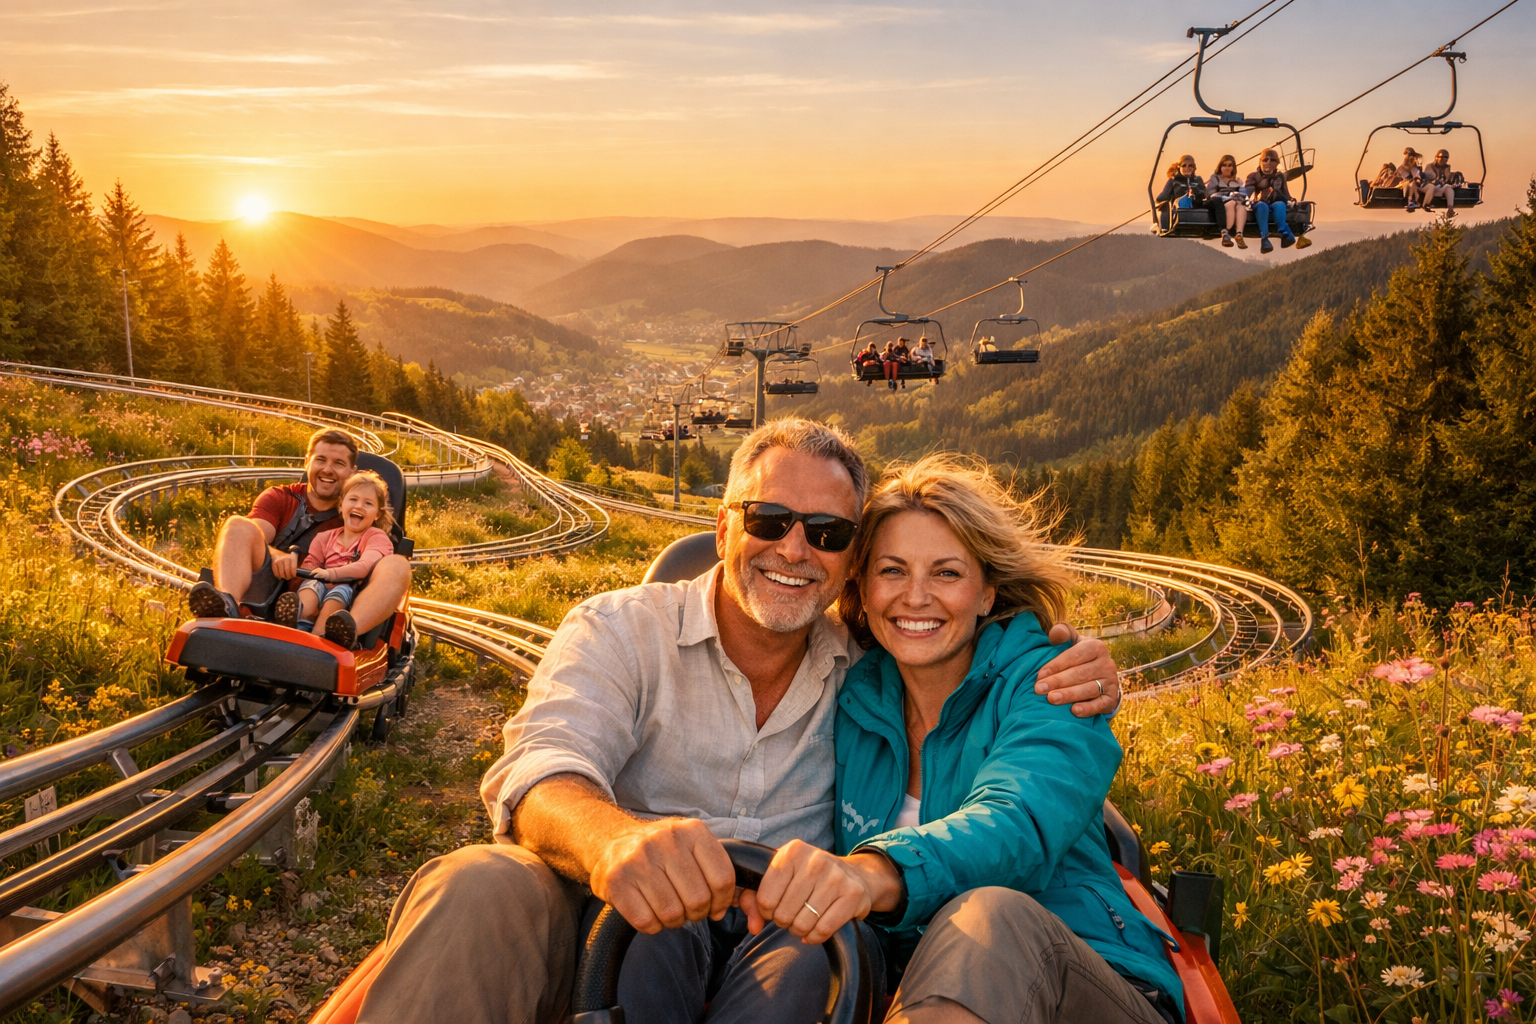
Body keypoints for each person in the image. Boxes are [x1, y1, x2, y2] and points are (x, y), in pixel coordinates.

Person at [354, 419, 1125, 1024]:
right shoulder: (623, 630)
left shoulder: (868, 665)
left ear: (845, 561)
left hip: (805, 941)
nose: (795, 549)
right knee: (480, 881)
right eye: (770, 519)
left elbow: (1008, 779)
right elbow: (542, 766)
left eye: (826, 534)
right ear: (723, 527)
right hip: (630, 918)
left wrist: (1069, 656)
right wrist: (613, 838)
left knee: (817, 963)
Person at [751, 455, 1181, 1024]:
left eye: (947, 573)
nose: (916, 597)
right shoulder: (853, 695)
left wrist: (873, 872)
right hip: (917, 993)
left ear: (986, 594)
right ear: (863, 585)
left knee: (990, 916)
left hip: (1083, 986)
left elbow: (1017, 822)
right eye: (893, 571)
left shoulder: (1051, 688)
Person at [187, 428, 412, 639]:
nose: (327, 470)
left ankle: (341, 632)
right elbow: (255, 533)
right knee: (237, 525)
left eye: (339, 463)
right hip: (266, 591)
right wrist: (278, 555)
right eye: (321, 460)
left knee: (399, 565)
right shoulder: (279, 498)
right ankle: (229, 605)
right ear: (307, 462)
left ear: (352, 472)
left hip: (328, 602)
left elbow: (374, 558)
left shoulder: (358, 518)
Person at [275, 470, 396, 647]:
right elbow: (311, 564)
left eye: (368, 503)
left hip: (350, 590)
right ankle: (297, 619)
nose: (359, 506)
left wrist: (330, 574)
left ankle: (321, 636)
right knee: (311, 584)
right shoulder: (324, 537)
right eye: (353, 500)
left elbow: (364, 566)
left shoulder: (376, 537)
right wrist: (300, 568)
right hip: (321, 582)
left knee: (338, 593)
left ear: (378, 514)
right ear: (341, 506)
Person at [1243, 149, 1312, 255]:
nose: (1268, 163)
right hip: (1260, 204)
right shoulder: (1254, 176)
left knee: (1280, 205)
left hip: (1274, 204)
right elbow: (1248, 190)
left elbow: (1285, 193)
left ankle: (1286, 233)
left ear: (1277, 163)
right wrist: (1241, 199)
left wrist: (1290, 202)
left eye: (1272, 160)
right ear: (1260, 162)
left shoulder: (1280, 177)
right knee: (1262, 206)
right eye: (1265, 160)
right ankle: (1265, 239)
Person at [1155, 154, 1207, 233]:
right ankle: (1165, 227)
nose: (1187, 168)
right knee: (1181, 201)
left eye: (1190, 166)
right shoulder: (1173, 181)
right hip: (1179, 210)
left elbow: (1205, 194)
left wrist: (1197, 191)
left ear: (1194, 168)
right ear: (1179, 167)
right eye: (1184, 165)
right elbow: (1161, 198)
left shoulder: (1197, 180)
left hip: (1196, 208)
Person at [1206, 154, 1248, 248]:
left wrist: (1238, 195)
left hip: (1236, 200)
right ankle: (1226, 232)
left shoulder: (1237, 181)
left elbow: (1244, 193)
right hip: (1222, 201)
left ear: (1233, 167)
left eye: (1230, 165)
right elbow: (1210, 193)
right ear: (1220, 166)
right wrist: (1226, 196)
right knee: (1231, 203)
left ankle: (1239, 234)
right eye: (1224, 165)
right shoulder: (1215, 178)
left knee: (1241, 206)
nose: (1227, 168)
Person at [1423, 149, 1462, 216]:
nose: (1442, 159)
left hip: (1439, 189)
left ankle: (1450, 209)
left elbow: (1447, 180)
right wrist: (1438, 180)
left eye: (1445, 157)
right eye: (1440, 157)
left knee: (1448, 187)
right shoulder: (1430, 166)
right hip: (1429, 189)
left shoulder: (1447, 168)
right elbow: (1430, 177)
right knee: (1434, 186)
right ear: (1436, 157)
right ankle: (1426, 204)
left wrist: (1454, 182)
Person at [1396, 148, 1427, 212]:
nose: (1409, 157)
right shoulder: (1401, 168)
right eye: (1408, 155)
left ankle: (1412, 201)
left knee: (1413, 184)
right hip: (1402, 185)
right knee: (1411, 184)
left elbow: (1417, 176)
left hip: (1413, 185)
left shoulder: (1414, 167)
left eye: (1411, 155)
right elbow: (1402, 178)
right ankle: (1412, 201)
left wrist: (1418, 179)